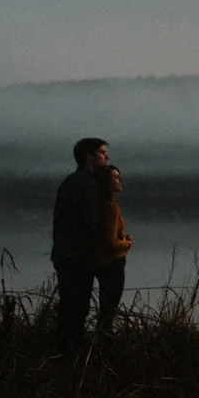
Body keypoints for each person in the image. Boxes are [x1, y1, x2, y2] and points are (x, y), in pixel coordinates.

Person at [51, 137, 109, 353]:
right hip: (78, 256)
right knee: (76, 309)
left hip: (65, 253)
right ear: (89, 156)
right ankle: (70, 355)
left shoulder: (70, 182)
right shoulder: (87, 184)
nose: (106, 157)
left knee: (69, 307)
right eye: (102, 152)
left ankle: (65, 353)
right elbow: (92, 223)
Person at [93, 163, 134, 337]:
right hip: (112, 265)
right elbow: (110, 243)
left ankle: (101, 341)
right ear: (106, 182)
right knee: (109, 311)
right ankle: (104, 342)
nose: (120, 180)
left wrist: (121, 238)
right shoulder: (111, 208)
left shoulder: (100, 205)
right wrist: (127, 243)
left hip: (103, 265)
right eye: (116, 177)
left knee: (106, 309)